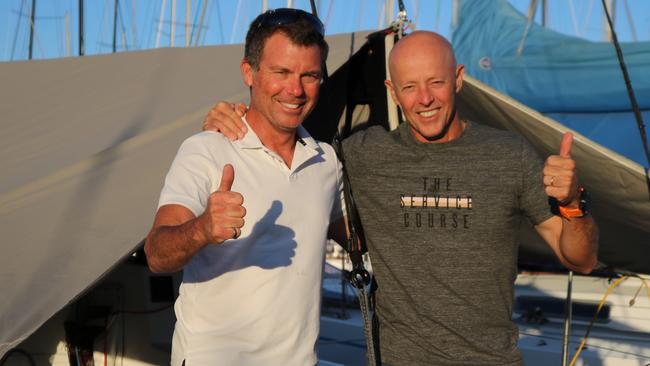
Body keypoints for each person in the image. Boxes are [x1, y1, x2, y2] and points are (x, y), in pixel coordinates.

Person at [204, 30, 599, 366]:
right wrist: (232, 117)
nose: (424, 99)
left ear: (458, 79)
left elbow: (580, 259)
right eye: (409, 86)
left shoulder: (509, 154)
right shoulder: (362, 153)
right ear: (392, 91)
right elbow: (287, 156)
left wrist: (572, 206)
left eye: (436, 82)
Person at [144, 9, 346, 365]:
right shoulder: (207, 149)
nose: (295, 90)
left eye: (309, 75)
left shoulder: (326, 162)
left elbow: (362, 239)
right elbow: (157, 254)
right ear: (248, 72)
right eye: (281, 72)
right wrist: (203, 228)